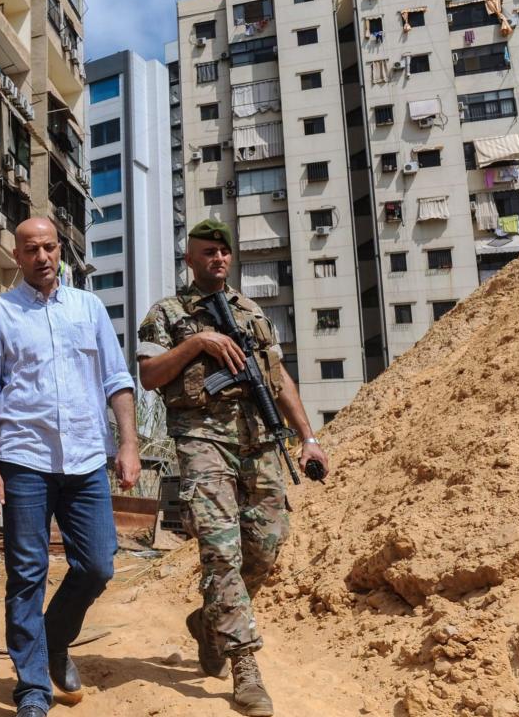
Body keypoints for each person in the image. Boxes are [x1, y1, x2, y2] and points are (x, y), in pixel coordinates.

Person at [136, 219, 330, 717]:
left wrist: (308, 437)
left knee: (265, 545)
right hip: (202, 440)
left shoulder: (250, 310)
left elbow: (278, 376)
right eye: (207, 252)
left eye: (223, 252)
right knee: (220, 551)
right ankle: (245, 667)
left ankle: (208, 621)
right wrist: (196, 343)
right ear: (190, 260)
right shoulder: (168, 312)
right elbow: (151, 375)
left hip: (259, 439)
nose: (218, 259)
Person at [0, 217, 140, 717]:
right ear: (17, 256)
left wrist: (127, 444)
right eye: (30, 249)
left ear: (60, 250)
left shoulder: (89, 308)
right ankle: (32, 690)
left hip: (86, 457)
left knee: (97, 563)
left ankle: (54, 638)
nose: (41, 256)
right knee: (26, 572)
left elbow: (116, 378)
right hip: (23, 457)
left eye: (48, 247)